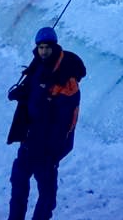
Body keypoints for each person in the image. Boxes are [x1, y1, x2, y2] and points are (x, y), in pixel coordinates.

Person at [7, 26, 86, 220]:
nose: (43, 51)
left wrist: (53, 150)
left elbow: (67, 118)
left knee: (46, 194)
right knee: (18, 183)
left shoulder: (66, 78)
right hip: (29, 139)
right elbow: (34, 93)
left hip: (47, 147)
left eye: (47, 47)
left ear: (54, 46)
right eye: (40, 47)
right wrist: (21, 94)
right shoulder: (38, 67)